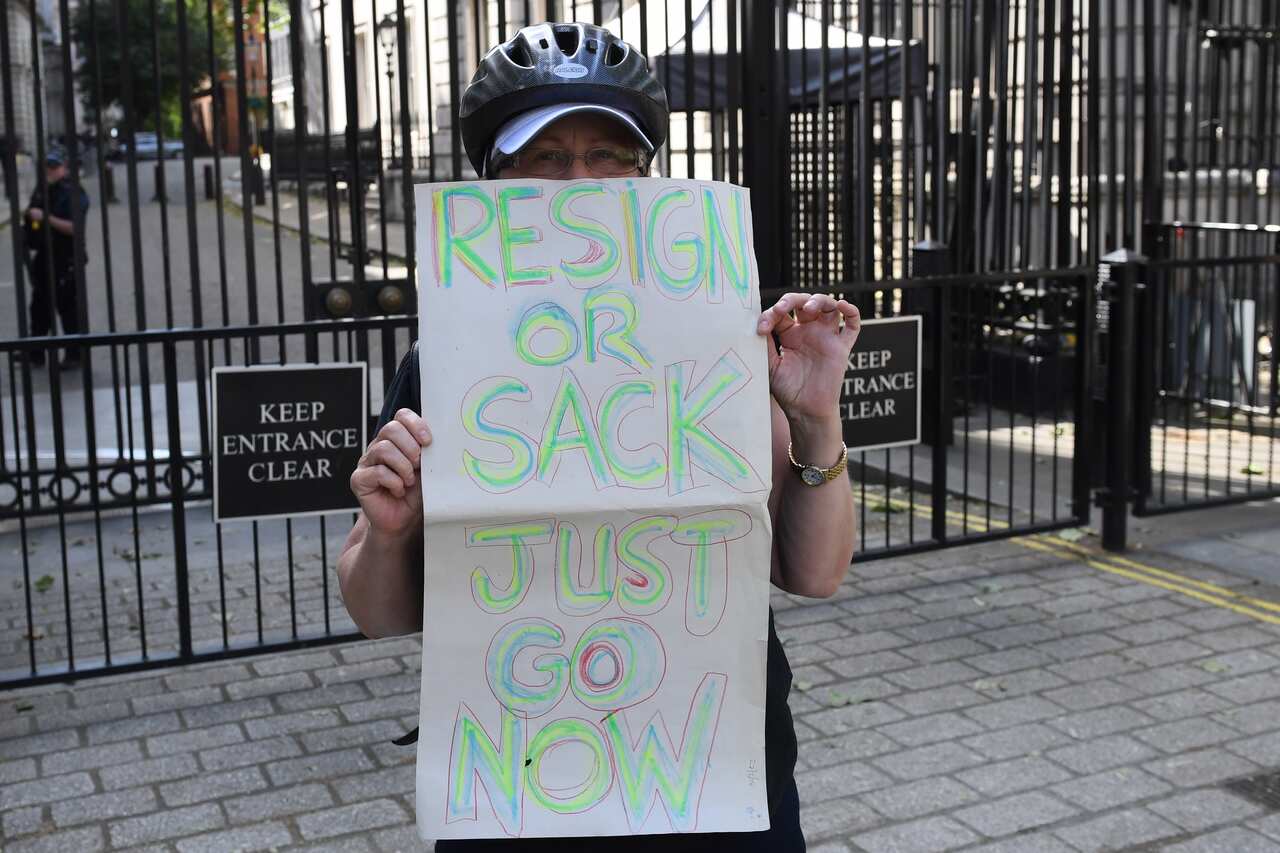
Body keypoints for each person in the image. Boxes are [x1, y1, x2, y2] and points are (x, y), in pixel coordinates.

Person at [338, 21, 860, 852]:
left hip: (707, 765)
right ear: (495, 182)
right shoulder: (443, 362)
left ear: (645, 173)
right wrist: (392, 534)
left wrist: (816, 417)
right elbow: (378, 612)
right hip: (523, 777)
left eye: (609, 156)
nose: (580, 181)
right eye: (546, 157)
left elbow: (815, 572)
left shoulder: (719, 340)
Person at [22, 144, 90, 367]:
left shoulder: (73, 192)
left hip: (66, 258)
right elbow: (33, 217)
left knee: (67, 308)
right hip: (44, 256)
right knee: (39, 307)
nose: (50, 170)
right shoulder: (43, 190)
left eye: (54, 166)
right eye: (47, 166)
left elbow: (75, 228)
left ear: (65, 168)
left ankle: (74, 355)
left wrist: (45, 218)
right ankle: (35, 353)